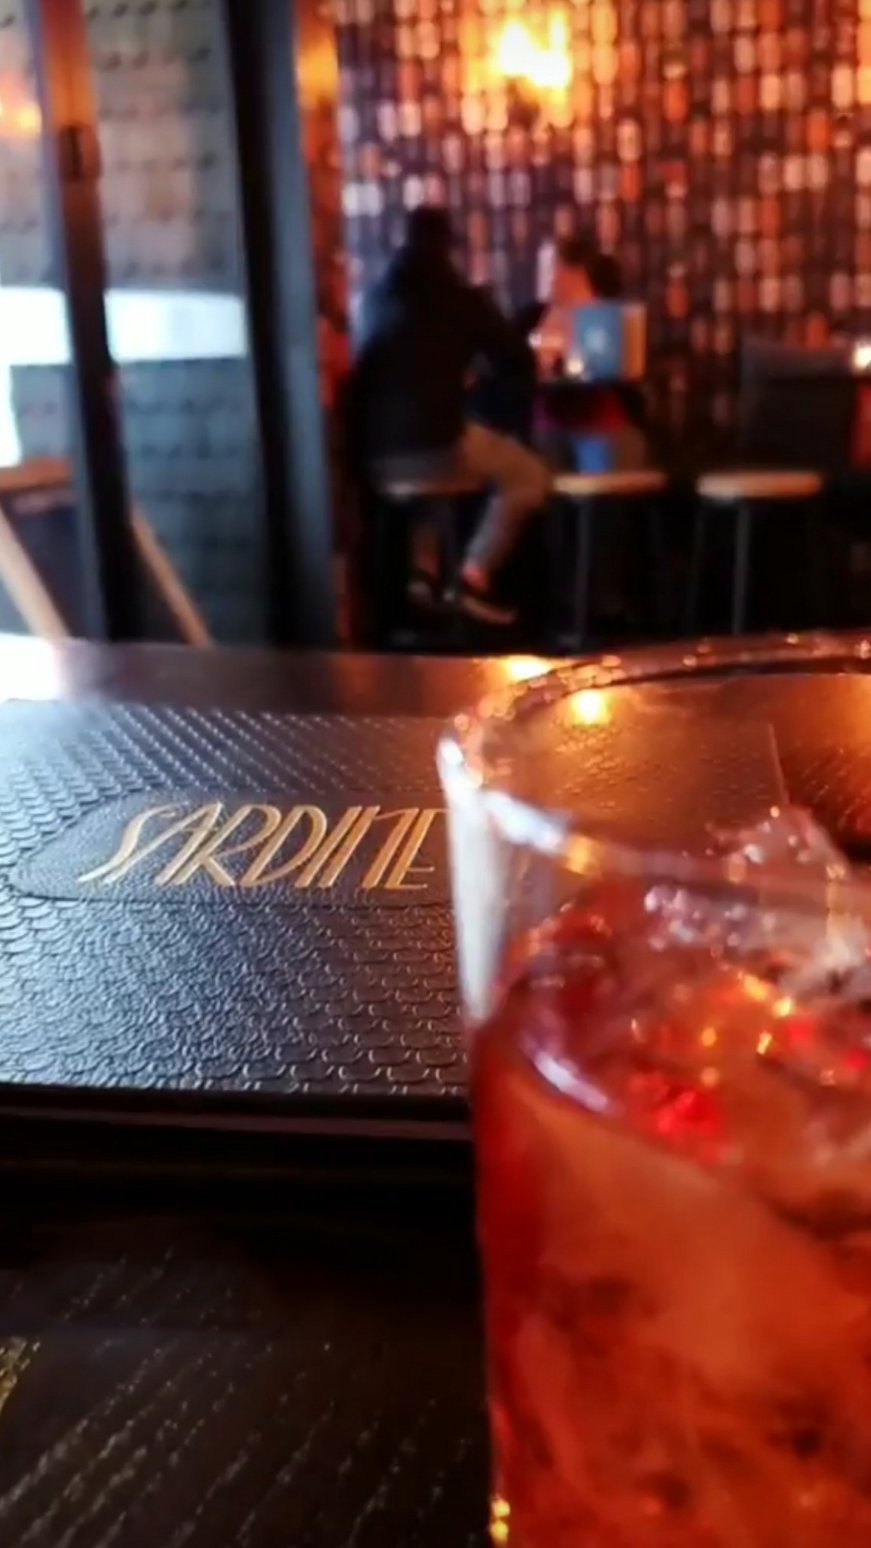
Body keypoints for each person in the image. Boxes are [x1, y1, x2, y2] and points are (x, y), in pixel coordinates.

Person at [353, 206, 551, 625]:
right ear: (449, 246)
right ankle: (474, 575)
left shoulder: (373, 298)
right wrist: (475, 375)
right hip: (437, 447)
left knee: (432, 482)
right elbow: (516, 358)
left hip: (374, 460)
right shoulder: (459, 297)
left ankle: (424, 575)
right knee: (528, 473)